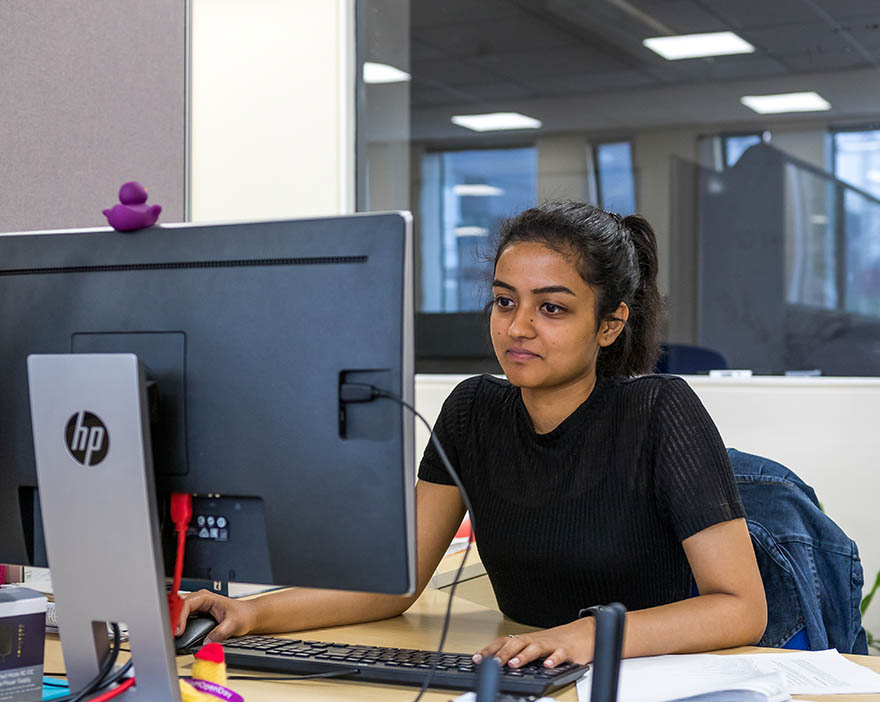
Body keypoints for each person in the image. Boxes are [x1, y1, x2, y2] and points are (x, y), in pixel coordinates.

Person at [176, 200, 768, 669]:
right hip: (525, 672)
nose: (519, 327)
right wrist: (248, 613)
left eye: (553, 308)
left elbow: (741, 609)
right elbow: (396, 584)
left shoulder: (659, 411)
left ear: (609, 324)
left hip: (641, 678)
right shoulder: (473, 410)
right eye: (504, 301)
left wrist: (590, 635)